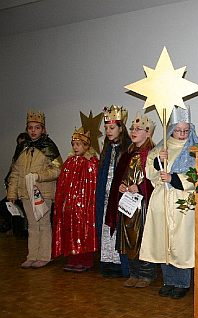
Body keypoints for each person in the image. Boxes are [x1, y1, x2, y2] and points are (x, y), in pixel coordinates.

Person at [140, 107, 198, 299]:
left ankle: (182, 282)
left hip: (182, 202)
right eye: (178, 130)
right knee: (163, 242)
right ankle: (169, 280)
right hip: (162, 201)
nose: (182, 135)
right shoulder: (161, 147)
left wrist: (174, 178)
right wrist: (158, 162)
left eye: (185, 131)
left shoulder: (194, 149)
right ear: (171, 129)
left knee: (181, 244)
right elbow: (149, 173)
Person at [105, 112, 155, 288]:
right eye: (132, 128)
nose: (133, 131)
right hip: (127, 204)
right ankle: (133, 273)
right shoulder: (127, 154)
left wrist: (140, 188)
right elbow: (122, 176)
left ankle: (146, 274)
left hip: (143, 204)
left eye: (138, 129)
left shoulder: (151, 154)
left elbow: (153, 181)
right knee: (127, 236)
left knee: (142, 237)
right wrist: (121, 187)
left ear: (148, 133)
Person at [7, 110, 62, 268]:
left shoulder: (48, 146)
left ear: (43, 129)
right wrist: (12, 193)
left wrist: (39, 175)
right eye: (30, 127)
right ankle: (32, 255)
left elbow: (57, 170)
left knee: (43, 224)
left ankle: (44, 256)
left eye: (37, 128)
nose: (33, 131)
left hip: (42, 193)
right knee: (31, 225)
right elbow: (15, 172)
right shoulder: (22, 148)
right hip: (25, 193)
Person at [52, 127, 99, 272]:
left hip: (85, 206)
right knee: (71, 231)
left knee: (84, 231)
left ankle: (85, 260)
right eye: (73, 144)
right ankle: (72, 259)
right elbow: (62, 184)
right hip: (71, 206)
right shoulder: (69, 162)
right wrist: (63, 201)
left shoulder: (91, 162)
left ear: (86, 146)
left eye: (78, 144)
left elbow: (93, 185)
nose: (75, 147)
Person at [96, 105, 131, 278]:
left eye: (112, 128)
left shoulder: (127, 150)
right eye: (106, 128)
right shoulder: (107, 149)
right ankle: (107, 262)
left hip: (119, 198)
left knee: (118, 229)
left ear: (120, 128)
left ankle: (119, 264)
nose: (108, 131)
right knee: (105, 228)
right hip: (106, 197)